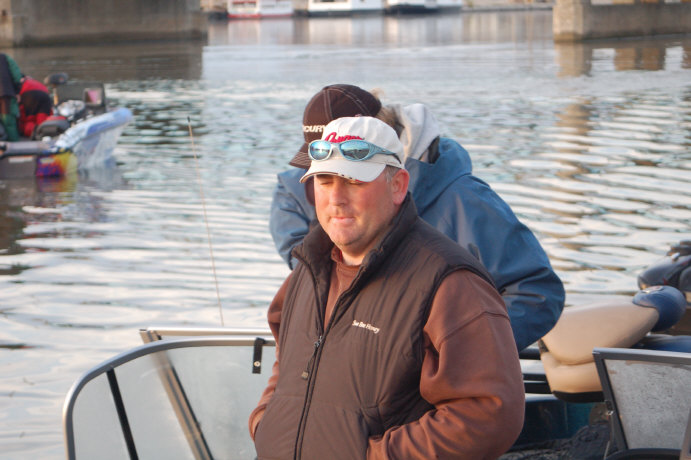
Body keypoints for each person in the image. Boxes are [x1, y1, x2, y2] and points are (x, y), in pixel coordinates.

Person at [250, 116, 525, 459]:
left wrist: (377, 456)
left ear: (397, 185)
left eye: (353, 181)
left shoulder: (450, 282)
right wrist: (266, 423)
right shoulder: (306, 271)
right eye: (324, 180)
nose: (336, 199)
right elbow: (287, 361)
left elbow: (490, 413)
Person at [270, 84, 565, 352]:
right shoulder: (301, 196)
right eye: (323, 169)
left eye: (352, 166)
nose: (335, 195)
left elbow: (536, 291)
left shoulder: (463, 199)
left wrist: (452, 355)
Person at [0, 53, 23, 141]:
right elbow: (16, 76)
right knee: (9, 122)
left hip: (5, 94)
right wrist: (17, 91)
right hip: (6, 94)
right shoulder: (5, 58)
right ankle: (14, 144)